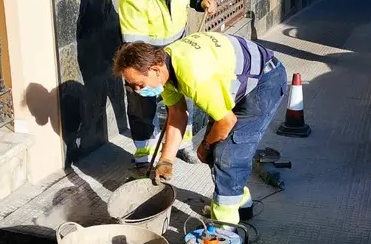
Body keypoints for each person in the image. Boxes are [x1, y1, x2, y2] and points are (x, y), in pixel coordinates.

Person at [113, 32, 288, 225]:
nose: (137, 91)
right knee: (214, 151)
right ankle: (240, 201)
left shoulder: (193, 76)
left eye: (139, 84)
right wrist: (166, 161)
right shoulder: (167, 67)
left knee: (227, 155)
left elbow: (226, 121)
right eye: (132, 86)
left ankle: (224, 232)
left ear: (155, 69)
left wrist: (205, 145)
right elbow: (177, 115)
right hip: (236, 80)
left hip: (265, 81)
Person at [119, 0, 218, 178]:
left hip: (177, 47)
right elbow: (134, 48)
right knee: (141, 95)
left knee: (183, 92)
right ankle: (144, 150)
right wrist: (149, 75)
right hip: (146, 50)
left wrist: (203, 1)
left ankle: (182, 142)